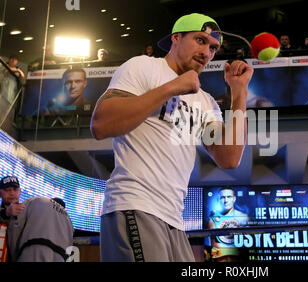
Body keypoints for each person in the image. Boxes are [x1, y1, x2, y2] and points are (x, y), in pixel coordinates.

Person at [90, 13, 253, 262]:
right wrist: (173, 87)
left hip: (174, 219)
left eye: (212, 47)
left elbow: (228, 158)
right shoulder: (143, 66)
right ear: (176, 38)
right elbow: (101, 124)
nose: (206, 52)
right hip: (135, 203)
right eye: (200, 40)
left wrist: (239, 92)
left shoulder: (205, 100)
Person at [6, 196, 74, 262]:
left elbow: (16, 223)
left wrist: (14, 255)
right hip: (61, 257)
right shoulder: (69, 221)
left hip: (34, 250)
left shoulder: (38, 200)